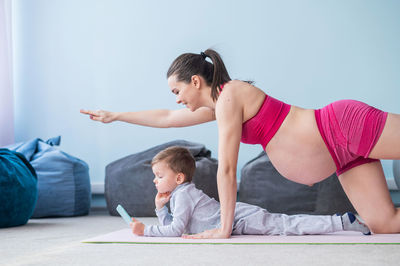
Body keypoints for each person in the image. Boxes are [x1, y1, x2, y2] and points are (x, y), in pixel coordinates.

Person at [80, 49, 400, 238]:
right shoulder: (217, 106)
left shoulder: (230, 95)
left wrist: (224, 227)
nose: (177, 100)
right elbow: (166, 117)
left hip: (343, 127)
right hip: (340, 156)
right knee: (383, 224)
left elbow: (228, 169)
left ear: (195, 81)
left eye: (177, 92)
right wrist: (117, 115)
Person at [129, 146, 371, 237]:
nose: (155, 181)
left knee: (286, 226)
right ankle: (341, 222)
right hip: (238, 220)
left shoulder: (183, 195)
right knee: (285, 224)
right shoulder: (180, 194)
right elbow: (178, 226)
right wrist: (160, 209)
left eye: (159, 176)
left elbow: (175, 230)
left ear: (179, 178)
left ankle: (341, 222)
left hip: (240, 218)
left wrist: (145, 230)